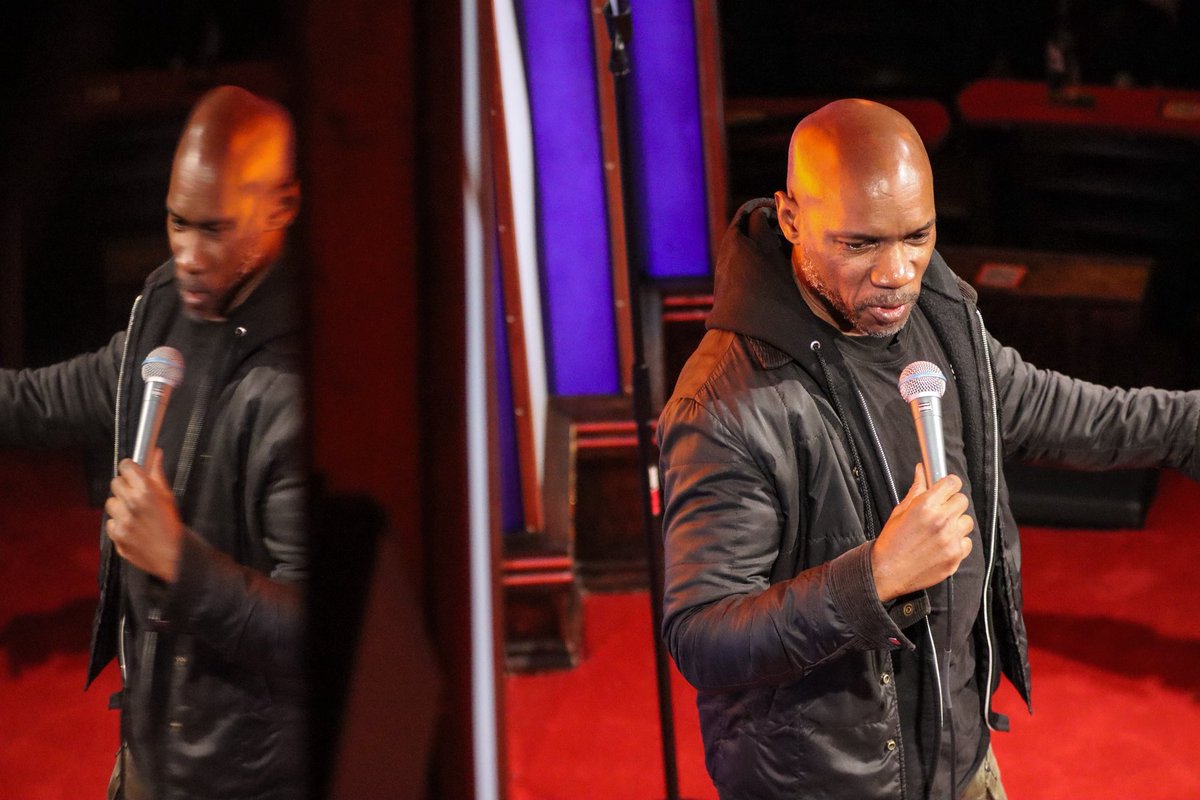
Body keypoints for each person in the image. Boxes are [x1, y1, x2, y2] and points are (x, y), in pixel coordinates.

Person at [657, 98, 1200, 800]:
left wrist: (1190, 424)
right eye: (861, 244)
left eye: (918, 236)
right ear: (792, 218)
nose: (898, 272)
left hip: (959, 760)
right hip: (827, 785)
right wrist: (874, 578)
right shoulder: (727, 404)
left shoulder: (938, 317)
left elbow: (1052, 409)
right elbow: (703, 636)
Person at [0, 85, 307, 799]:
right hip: (153, 743)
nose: (188, 254)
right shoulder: (165, 306)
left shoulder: (297, 387)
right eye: (176, 223)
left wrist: (178, 561)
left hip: (243, 775)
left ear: (282, 207)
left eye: (213, 229)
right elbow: (53, 399)